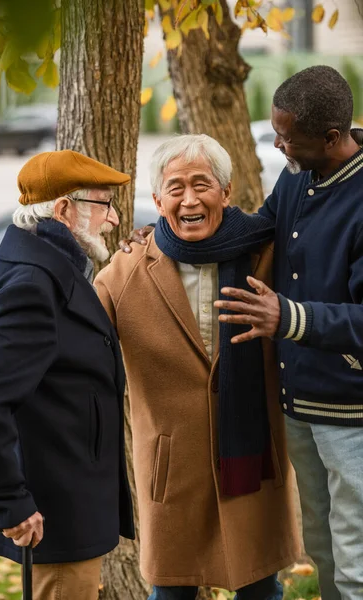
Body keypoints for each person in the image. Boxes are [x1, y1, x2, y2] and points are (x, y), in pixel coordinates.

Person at [123, 66, 363, 600]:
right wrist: (162, 234)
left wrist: (290, 318)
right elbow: (254, 226)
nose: (277, 145)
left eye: (286, 139)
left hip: (352, 414)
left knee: (357, 562)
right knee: (324, 552)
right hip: (299, 411)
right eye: (277, 134)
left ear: (331, 137)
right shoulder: (301, 177)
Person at [95, 134, 300, 600]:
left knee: (261, 588)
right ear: (157, 200)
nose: (189, 199)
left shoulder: (267, 256)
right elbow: (76, 334)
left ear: (226, 193)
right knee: (171, 594)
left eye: (202, 184)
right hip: (173, 471)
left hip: (252, 457)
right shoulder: (126, 271)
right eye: (175, 187)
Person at [0, 149, 134, 600]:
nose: (112, 220)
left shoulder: (40, 261)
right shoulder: (34, 283)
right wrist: (10, 504)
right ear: (63, 209)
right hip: (52, 514)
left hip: (68, 498)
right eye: (103, 205)